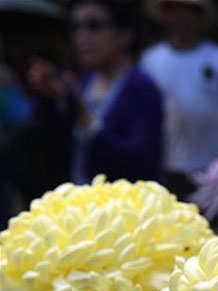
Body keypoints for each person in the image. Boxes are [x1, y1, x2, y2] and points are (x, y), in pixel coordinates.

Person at [27, 0, 163, 184]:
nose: (82, 36)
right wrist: (51, 100)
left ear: (125, 34)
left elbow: (141, 164)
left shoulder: (141, 88)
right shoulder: (86, 80)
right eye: (76, 27)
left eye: (94, 26)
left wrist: (88, 122)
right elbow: (54, 151)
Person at [141, 0, 218, 199]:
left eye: (188, 11)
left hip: (214, 164)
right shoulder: (152, 60)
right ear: (166, 16)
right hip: (169, 162)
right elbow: (145, 112)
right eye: (175, 11)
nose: (181, 17)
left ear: (199, 17)